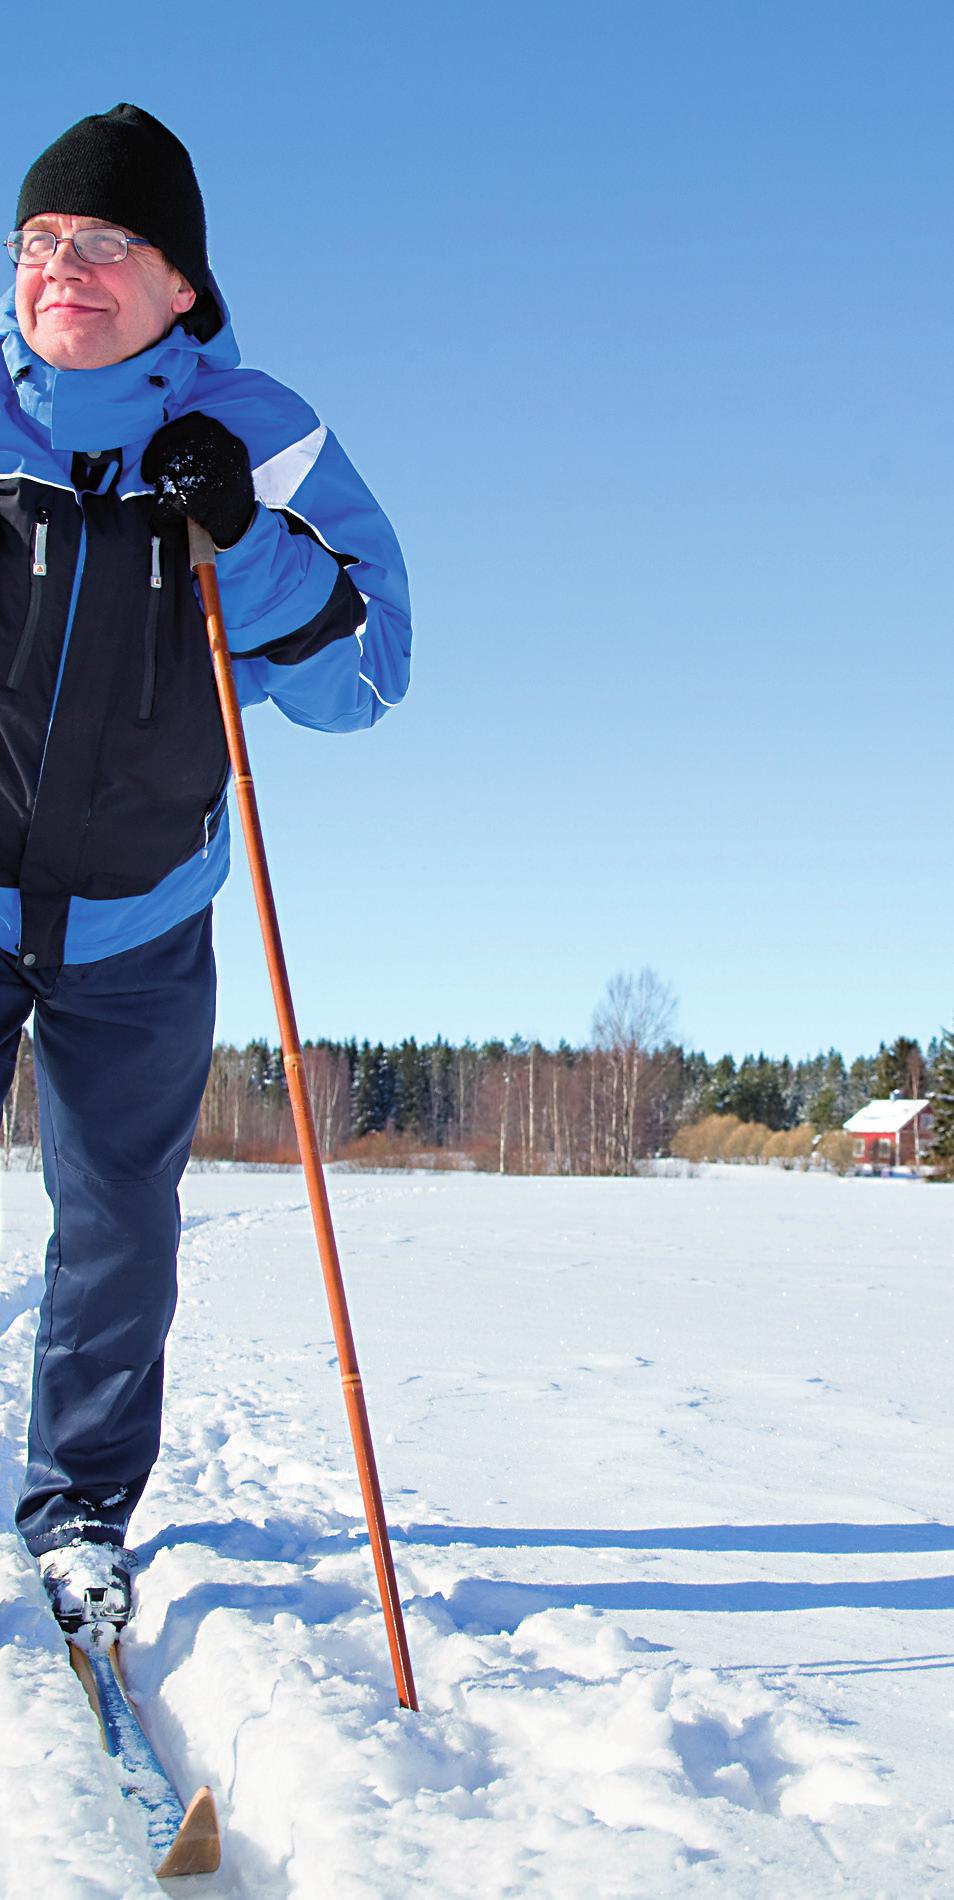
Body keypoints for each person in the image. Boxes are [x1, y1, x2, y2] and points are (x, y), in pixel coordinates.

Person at [0, 104, 411, 1648]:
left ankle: (82, 1513)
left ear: (185, 284)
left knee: (116, 1224)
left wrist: (241, 533)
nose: (64, 270)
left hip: (142, 910)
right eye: (40, 243)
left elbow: (368, 673)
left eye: (106, 244)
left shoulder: (267, 428)